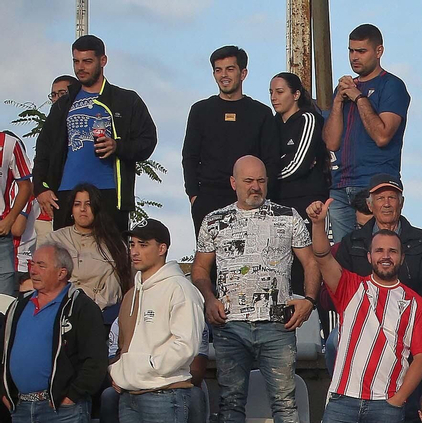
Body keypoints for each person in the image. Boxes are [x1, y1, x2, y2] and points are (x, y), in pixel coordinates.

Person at [306, 198, 422, 423]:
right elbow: (323, 255)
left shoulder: (415, 303)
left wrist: (398, 399)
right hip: (343, 400)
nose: (386, 256)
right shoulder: (351, 286)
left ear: (402, 257)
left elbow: (421, 357)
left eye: (392, 251)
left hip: (385, 406)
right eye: (380, 251)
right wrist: (317, 223)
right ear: (369, 256)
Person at [192, 156, 319, 423]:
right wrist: (209, 299)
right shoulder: (213, 221)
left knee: (285, 405)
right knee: (231, 403)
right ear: (234, 183)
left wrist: (310, 300)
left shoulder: (288, 217)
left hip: (277, 324)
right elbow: (199, 270)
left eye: (261, 180)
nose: (255, 186)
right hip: (230, 325)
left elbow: (311, 263)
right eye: (248, 181)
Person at [1, 240, 106, 423]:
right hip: (22, 408)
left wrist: (72, 395)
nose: (32, 270)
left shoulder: (81, 307)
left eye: (40, 265)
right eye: (32, 264)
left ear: (62, 272)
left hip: (63, 410)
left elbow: (95, 360)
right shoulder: (19, 306)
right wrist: (5, 391)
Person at [112, 219, 203, 423]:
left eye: (144, 244)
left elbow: (187, 343)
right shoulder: (133, 291)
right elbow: (123, 342)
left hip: (165, 393)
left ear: (162, 248)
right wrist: (121, 370)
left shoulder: (180, 288)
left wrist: (149, 366)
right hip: (131, 394)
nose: (135, 251)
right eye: (132, 244)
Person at [31, 34, 157, 232]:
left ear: (103, 60)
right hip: (66, 193)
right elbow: (44, 148)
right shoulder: (64, 103)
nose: (81, 67)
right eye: (76, 61)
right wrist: (40, 187)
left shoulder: (126, 100)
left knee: (109, 258)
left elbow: (148, 141)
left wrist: (118, 146)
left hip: (109, 193)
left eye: (87, 61)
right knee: (65, 259)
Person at [323, 24, 410, 244]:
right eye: (351, 51)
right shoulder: (345, 89)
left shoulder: (392, 85)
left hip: (375, 184)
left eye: (361, 51)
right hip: (341, 186)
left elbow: (382, 136)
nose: (354, 57)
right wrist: (337, 102)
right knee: (344, 255)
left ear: (378, 51)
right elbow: (331, 143)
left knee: (380, 250)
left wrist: (359, 97)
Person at [182, 46, 276, 231]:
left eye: (230, 69)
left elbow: (270, 160)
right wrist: (194, 197)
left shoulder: (261, 113)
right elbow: (190, 156)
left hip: (250, 199)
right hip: (208, 199)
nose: (223, 75)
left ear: (243, 73)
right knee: (208, 259)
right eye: (218, 70)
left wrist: (261, 195)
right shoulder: (200, 111)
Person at [333, 176, 422, 305]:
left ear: (401, 203)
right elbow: (341, 286)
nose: (386, 204)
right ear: (370, 205)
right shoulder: (351, 242)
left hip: (411, 317)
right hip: (363, 317)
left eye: (391, 198)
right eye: (380, 198)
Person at [36, 184, 130, 323]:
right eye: (77, 204)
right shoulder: (54, 240)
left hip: (100, 314)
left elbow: (115, 287)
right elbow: (43, 277)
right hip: (58, 311)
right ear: (71, 210)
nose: (82, 209)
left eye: (88, 204)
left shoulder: (114, 244)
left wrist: (90, 308)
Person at [267, 71, 329, 216]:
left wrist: (268, 177)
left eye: (280, 92)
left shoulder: (307, 119)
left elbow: (299, 165)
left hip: (307, 200)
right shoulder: (270, 124)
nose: (273, 98)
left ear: (296, 95)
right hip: (276, 199)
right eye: (271, 92)